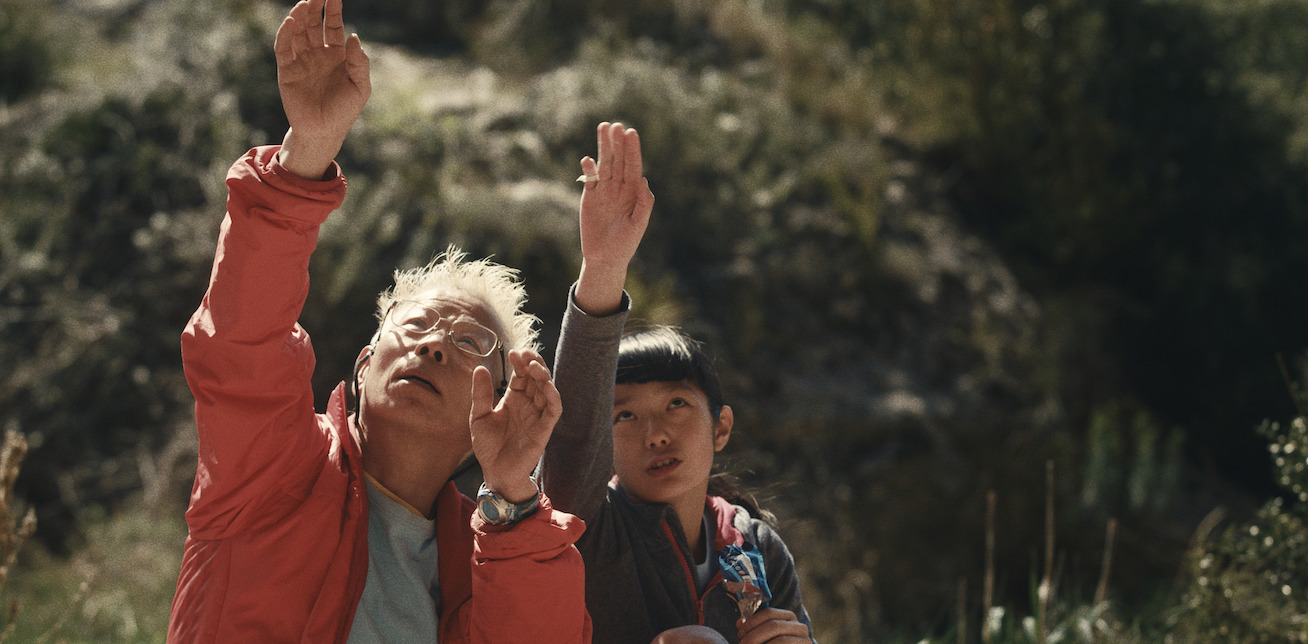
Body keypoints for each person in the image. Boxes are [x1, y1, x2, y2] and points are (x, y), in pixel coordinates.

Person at [167, 0, 594, 640]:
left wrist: (512, 496)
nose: (434, 348)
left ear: (497, 406)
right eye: (416, 327)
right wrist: (308, 149)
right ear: (364, 365)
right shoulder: (273, 470)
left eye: (470, 343)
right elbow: (241, 338)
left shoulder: (484, 560)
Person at [545, 317, 819, 644]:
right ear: (602, 442)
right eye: (625, 415)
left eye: (676, 404)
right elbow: (573, 428)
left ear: (721, 427)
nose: (656, 436)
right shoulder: (587, 528)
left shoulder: (757, 546)